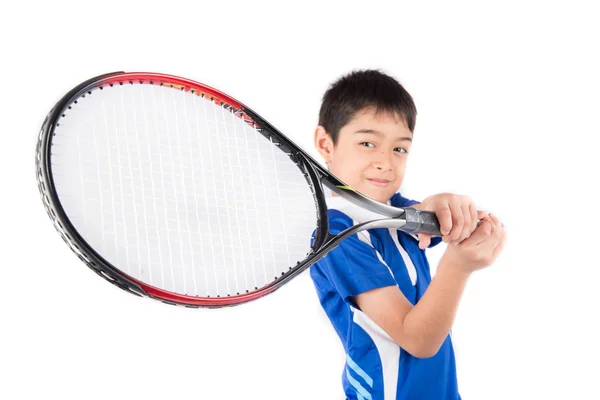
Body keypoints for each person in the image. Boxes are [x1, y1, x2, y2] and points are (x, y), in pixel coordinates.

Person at [310, 69, 506, 399]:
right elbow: (418, 339)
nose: (385, 162)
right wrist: (457, 266)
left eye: (399, 149)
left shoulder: (394, 208)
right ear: (325, 144)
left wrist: (448, 205)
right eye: (367, 143)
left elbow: (435, 217)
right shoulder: (337, 235)